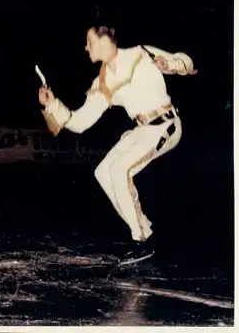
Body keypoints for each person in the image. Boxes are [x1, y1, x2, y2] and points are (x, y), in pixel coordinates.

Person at [38, 25, 196, 265]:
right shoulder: (103, 82)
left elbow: (183, 61)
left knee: (120, 170)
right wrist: (53, 105)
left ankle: (143, 240)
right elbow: (80, 122)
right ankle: (145, 232)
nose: (85, 47)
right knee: (102, 172)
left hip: (166, 126)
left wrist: (170, 65)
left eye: (89, 42)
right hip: (143, 130)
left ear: (104, 41)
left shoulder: (141, 53)